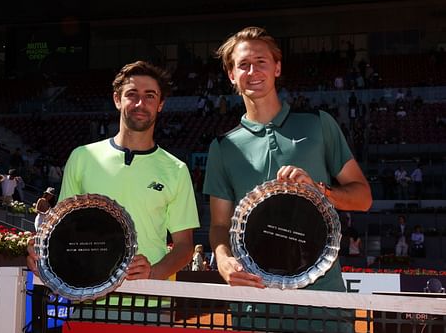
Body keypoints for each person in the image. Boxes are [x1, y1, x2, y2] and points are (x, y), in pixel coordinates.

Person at [203, 26, 372, 332]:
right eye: (243, 65)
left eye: (261, 61)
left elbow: (363, 197)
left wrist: (320, 191)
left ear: (277, 67)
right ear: (231, 75)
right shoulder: (223, 148)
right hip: (255, 306)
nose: (252, 71)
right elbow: (218, 225)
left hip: (324, 304)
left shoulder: (319, 125)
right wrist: (224, 260)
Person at [28, 61, 200, 283]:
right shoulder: (82, 157)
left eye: (150, 96)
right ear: (117, 100)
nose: (141, 103)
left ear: (160, 104)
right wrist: (38, 249)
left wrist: (153, 273)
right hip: (89, 293)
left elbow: (185, 247)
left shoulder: (176, 169)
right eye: (132, 94)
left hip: (152, 302)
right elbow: (63, 229)